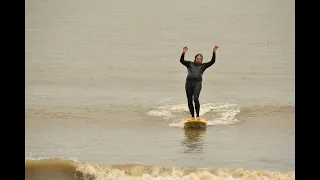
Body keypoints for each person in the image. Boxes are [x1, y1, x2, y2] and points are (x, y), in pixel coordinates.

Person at [180, 45, 219, 119]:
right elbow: (181, 61)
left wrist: (214, 52)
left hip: (197, 84)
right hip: (188, 84)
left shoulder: (203, 66)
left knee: (195, 98)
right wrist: (183, 53)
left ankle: (197, 116)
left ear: (202, 60)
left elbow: (212, 61)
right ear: (195, 59)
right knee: (189, 100)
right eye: (197, 59)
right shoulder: (189, 64)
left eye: (200, 59)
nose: (199, 60)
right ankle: (192, 117)